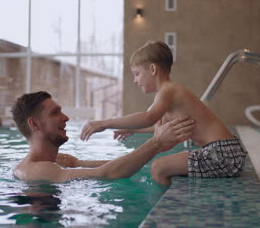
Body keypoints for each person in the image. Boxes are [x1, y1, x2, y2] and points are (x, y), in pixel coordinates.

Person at [80, 41, 247, 185]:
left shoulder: (168, 91)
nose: (135, 80)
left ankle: (167, 210)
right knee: (161, 165)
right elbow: (156, 126)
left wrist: (104, 123)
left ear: (153, 69)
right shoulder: (170, 95)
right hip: (227, 152)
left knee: (158, 168)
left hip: (222, 154)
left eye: (137, 73)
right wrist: (133, 130)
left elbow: (147, 117)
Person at [11, 91, 194, 182]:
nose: (65, 117)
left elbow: (110, 164)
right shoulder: (35, 171)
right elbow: (108, 173)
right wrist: (156, 143)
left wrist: (152, 160)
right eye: (55, 113)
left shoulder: (61, 161)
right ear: (34, 124)